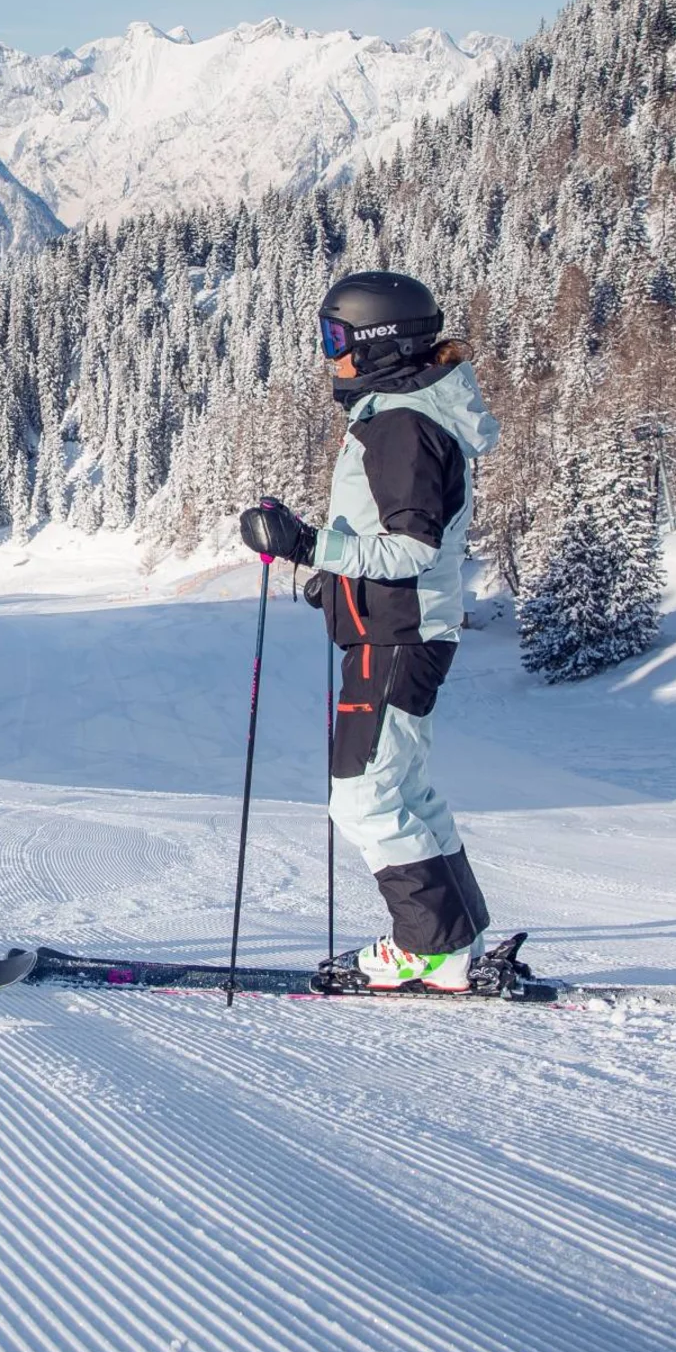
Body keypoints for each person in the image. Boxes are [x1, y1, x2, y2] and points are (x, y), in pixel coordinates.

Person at [239, 270, 500, 992]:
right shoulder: (402, 413)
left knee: (363, 798)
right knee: (405, 792)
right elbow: (387, 538)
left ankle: (430, 948)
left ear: (382, 342)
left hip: (397, 635)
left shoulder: (403, 426)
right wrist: (336, 576)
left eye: (338, 337)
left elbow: (412, 548)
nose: (332, 354)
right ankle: (456, 938)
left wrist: (308, 545)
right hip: (398, 629)